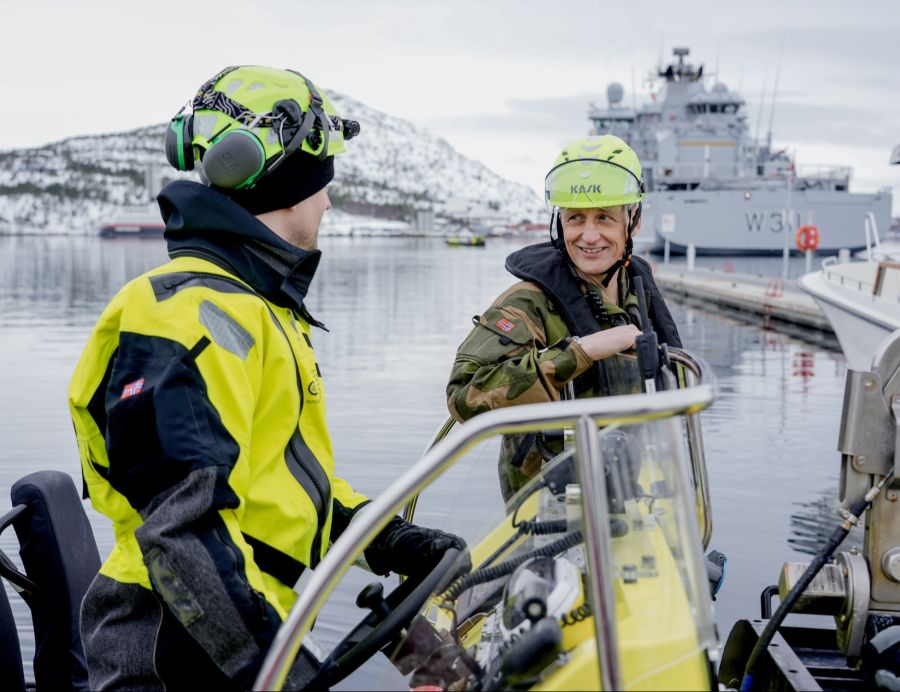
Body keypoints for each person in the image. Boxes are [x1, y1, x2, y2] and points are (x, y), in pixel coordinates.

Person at [68, 65, 465, 691]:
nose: (329, 201)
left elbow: (288, 478)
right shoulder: (186, 316)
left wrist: (392, 539)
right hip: (174, 651)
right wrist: (274, 669)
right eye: (322, 183)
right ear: (285, 182)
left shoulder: (255, 308)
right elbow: (181, 534)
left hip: (233, 631)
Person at [446, 134, 682, 501]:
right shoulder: (527, 304)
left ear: (633, 221)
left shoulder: (638, 288)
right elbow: (465, 396)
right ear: (560, 223)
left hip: (633, 496)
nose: (589, 236)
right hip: (550, 513)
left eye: (604, 217)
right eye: (575, 218)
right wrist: (581, 351)